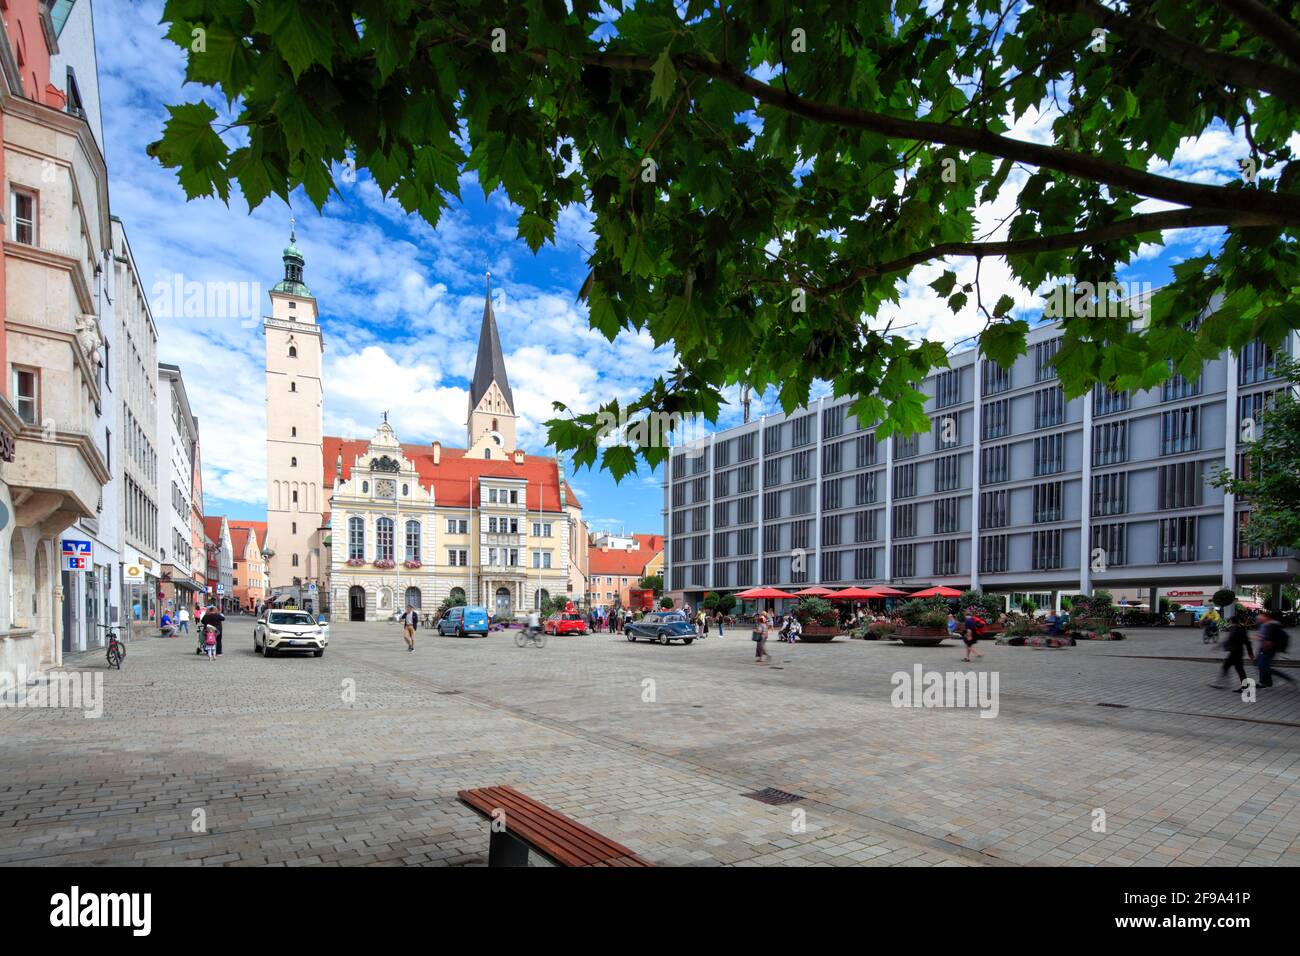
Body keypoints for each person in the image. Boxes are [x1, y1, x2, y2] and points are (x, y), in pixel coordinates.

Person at [1210, 613, 1254, 689]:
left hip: (1237, 652)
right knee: (1232, 668)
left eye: (1230, 621)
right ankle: (1224, 683)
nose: (1229, 623)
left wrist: (1250, 654)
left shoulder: (1240, 629)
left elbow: (1247, 642)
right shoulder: (1234, 628)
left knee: (1234, 668)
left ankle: (1223, 683)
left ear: (1232, 621)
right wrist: (1218, 646)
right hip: (1234, 652)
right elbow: (1227, 639)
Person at [1255, 611, 1293, 689]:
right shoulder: (1268, 624)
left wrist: (1264, 650)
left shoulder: (1271, 625)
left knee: (1263, 666)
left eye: (1261, 616)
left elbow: (1269, 640)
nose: (1259, 618)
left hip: (1268, 650)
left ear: (1266, 617)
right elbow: (1264, 636)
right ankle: (1265, 682)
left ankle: (1287, 678)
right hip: (1266, 649)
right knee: (1261, 665)